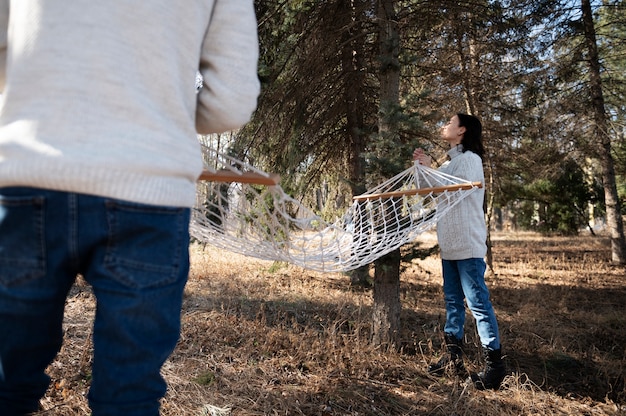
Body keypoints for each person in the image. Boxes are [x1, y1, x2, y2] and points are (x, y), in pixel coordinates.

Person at [0, 1, 260, 414]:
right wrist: (158, 113)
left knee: (4, 380)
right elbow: (231, 100)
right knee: (129, 395)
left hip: (27, 174)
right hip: (149, 190)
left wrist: (33, 103)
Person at [413, 113, 506, 390]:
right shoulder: (449, 163)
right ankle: (453, 358)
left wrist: (430, 169)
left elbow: (451, 189)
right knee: (452, 302)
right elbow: (428, 192)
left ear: (462, 130)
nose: (444, 125)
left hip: (468, 245)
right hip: (450, 246)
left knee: (478, 304)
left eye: (449, 122)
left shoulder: (470, 161)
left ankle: (495, 368)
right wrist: (421, 168)